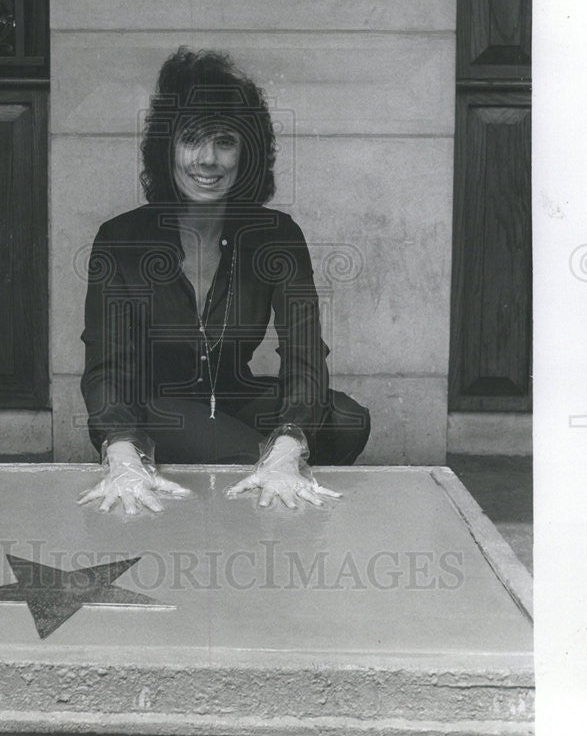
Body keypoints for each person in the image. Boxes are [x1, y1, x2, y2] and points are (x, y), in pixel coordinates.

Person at [78, 48, 370, 515]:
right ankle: (230, 514)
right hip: (156, 408)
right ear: (166, 148)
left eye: (225, 142)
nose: (208, 159)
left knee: (347, 421)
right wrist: (120, 448)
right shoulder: (121, 239)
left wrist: (291, 442)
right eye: (192, 140)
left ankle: (252, 483)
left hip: (231, 394)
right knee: (246, 455)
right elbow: (105, 367)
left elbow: (306, 353)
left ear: (246, 153)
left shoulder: (276, 236)